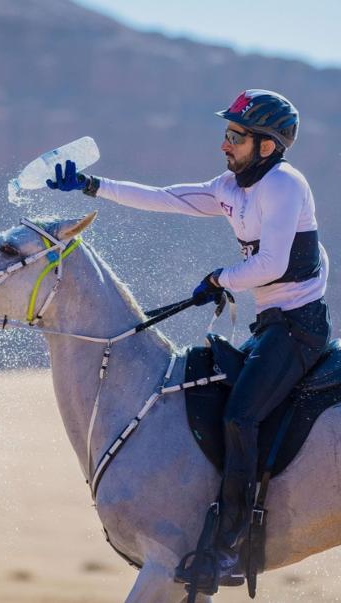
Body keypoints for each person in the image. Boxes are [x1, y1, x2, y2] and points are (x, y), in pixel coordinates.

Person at [46, 89, 331, 588]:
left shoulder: (284, 186)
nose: (225, 144)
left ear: (266, 147)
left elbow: (275, 265)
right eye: (227, 133)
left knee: (242, 413)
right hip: (270, 324)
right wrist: (92, 186)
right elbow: (166, 198)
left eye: (236, 136)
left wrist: (220, 277)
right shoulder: (231, 186)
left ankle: (230, 539)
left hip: (298, 329)